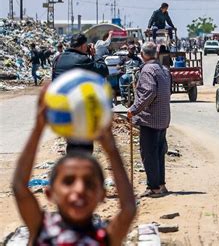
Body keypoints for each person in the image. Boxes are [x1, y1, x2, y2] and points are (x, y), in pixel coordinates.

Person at [12, 87, 136, 245]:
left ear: (102, 194)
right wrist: (38, 128)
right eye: (68, 181)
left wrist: (111, 149)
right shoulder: (42, 228)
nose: (80, 189)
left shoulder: (103, 236)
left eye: (89, 183)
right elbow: (19, 188)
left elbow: (128, 210)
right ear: (50, 193)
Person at [127, 42, 171, 198]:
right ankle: (161, 184)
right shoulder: (163, 69)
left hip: (150, 119)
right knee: (159, 152)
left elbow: (149, 92)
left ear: (142, 54)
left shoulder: (147, 70)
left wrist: (133, 110)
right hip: (162, 117)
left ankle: (154, 188)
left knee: (149, 153)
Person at [52, 33, 109, 153]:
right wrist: (96, 54)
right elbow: (104, 70)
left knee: (72, 144)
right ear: (83, 46)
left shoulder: (58, 59)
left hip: (63, 110)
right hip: (80, 109)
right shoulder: (83, 60)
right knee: (85, 147)